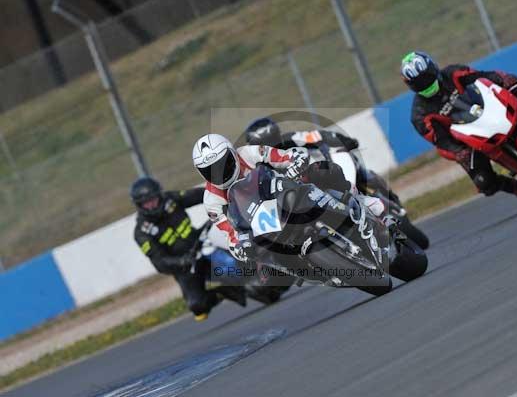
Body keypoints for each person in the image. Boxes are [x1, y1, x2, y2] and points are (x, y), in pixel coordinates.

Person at [401, 51, 517, 197]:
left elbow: (482, 76)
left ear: (433, 68)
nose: (426, 84)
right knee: (483, 182)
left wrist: (503, 79)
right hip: (466, 137)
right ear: (411, 86)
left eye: (427, 77)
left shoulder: (453, 73)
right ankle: (508, 184)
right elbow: (441, 141)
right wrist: (459, 152)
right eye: (419, 83)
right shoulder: (420, 114)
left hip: (485, 108)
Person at [131, 177, 243, 322]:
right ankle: (224, 293)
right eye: (147, 203)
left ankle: (256, 263)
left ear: (159, 195)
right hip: (184, 266)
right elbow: (159, 262)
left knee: (230, 234)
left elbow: (197, 195)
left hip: (200, 242)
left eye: (154, 199)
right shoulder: (142, 232)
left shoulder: (170, 200)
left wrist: (219, 197)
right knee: (198, 307)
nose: (152, 205)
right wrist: (181, 261)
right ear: (139, 205)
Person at [192, 133, 310, 261]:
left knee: (322, 171)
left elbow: (284, 157)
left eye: (224, 164)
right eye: (211, 171)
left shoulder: (249, 153)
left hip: (283, 196)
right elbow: (231, 235)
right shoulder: (211, 200)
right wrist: (240, 248)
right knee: (267, 275)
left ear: (232, 153)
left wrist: (296, 163)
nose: (220, 173)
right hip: (261, 230)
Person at [244, 118, 386, 217]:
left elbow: (319, 136)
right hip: (294, 199)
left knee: (340, 170)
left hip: (317, 178)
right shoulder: (258, 169)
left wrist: (345, 141)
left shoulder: (291, 138)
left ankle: (360, 199)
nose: (274, 150)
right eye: (267, 146)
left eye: (275, 142)